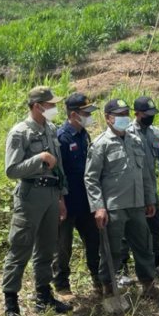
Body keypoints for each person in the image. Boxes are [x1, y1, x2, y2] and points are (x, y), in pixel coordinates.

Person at [1, 86, 72, 316]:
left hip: (51, 194)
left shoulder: (51, 129)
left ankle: (43, 296)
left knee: (47, 248)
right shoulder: (20, 132)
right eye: (50, 104)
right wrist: (38, 158)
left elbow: (58, 166)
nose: (54, 108)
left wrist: (61, 197)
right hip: (30, 196)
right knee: (20, 249)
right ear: (36, 105)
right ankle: (11, 306)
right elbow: (11, 170)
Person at [84, 99, 159, 302]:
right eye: (119, 114)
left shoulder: (135, 140)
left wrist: (149, 199)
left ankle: (148, 285)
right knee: (112, 250)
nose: (123, 118)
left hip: (137, 205)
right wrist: (99, 207)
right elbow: (91, 178)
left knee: (144, 246)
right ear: (108, 118)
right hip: (114, 207)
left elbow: (145, 174)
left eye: (125, 114)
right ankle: (109, 288)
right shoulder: (100, 144)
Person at [52, 93, 101, 297]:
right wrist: (59, 200)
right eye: (85, 112)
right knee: (63, 246)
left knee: (94, 242)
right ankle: (62, 284)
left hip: (86, 200)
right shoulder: (61, 137)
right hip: (67, 200)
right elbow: (57, 172)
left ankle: (99, 280)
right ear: (73, 114)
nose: (89, 116)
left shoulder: (83, 135)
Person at [119, 96, 159, 282]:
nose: (151, 117)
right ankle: (122, 270)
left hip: (151, 190)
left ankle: (153, 267)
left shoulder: (156, 133)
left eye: (153, 114)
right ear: (137, 114)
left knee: (155, 229)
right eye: (147, 114)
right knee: (126, 233)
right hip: (130, 192)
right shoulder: (126, 133)